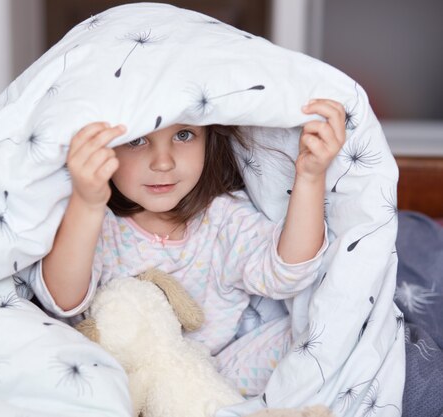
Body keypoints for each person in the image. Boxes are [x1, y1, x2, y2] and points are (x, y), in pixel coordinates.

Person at [29, 99, 346, 396]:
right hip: (108, 382)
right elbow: (61, 301)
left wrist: (309, 176)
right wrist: (86, 203)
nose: (163, 162)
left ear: (208, 139)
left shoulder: (223, 220)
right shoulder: (99, 221)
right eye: (138, 140)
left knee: (318, 333)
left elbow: (288, 273)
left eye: (184, 134)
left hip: (207, 376)